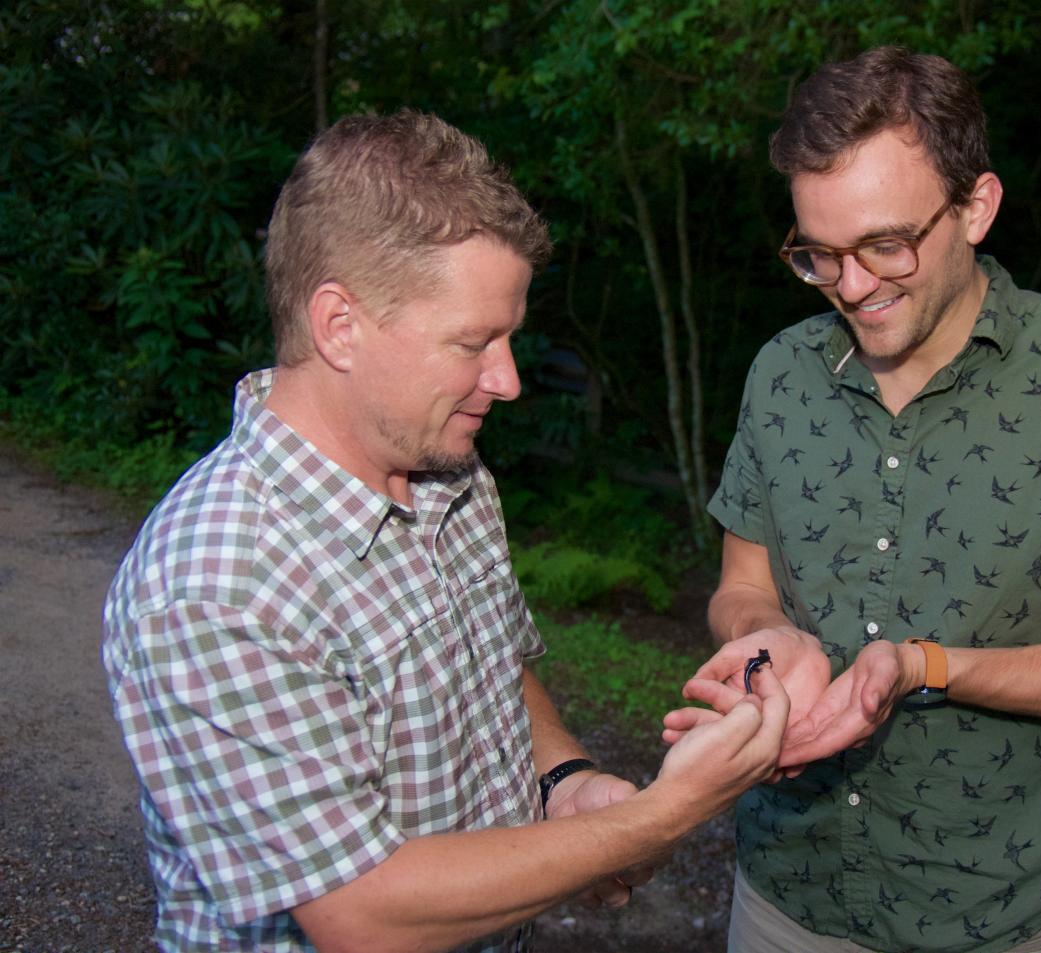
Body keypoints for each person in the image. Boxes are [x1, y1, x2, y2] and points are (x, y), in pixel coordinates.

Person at [101, 110, 789, 953]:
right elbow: (363, 910)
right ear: (338, 325)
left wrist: (565, 783)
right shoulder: (217, 582)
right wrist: (658, 817)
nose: (505, 379)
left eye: (509, 338)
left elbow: (496, 670)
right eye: (473, 341)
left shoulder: (450, 471)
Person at [663, 47, 1041, 953]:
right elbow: (740, 587)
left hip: (983, 911)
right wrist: (764, 639)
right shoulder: (781, 374)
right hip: (781, 894)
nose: (851, 285)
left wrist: (924, 665)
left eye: (885, 244)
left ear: (975, 207)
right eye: (819, 253)